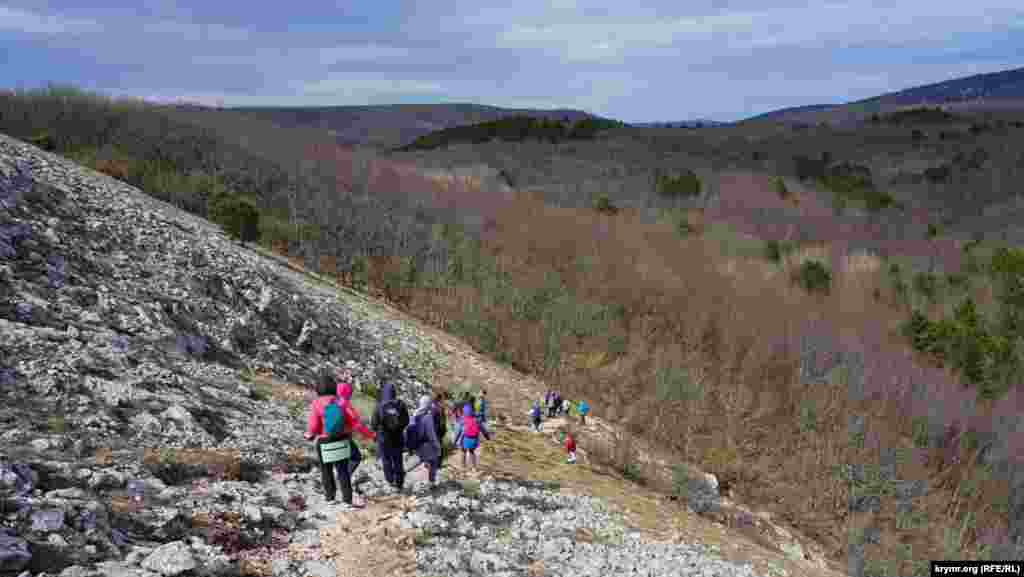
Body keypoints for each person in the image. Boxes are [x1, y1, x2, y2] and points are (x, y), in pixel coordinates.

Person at [304, 373, 373, 508]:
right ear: (333, 387)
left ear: (317, 389)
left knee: (326, 470)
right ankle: (347, 499)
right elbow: (354, 420)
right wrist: (368, 435)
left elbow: (313, 425)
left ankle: (330, 498)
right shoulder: (341, 402)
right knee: (342, 471)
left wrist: (310, 434)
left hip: (325, 441)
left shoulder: (316, 403)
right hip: (342, 440)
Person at [334, 370, 375, 483]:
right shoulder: (347, 407)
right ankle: (342, 482)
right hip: (342, 436)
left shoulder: (332, 400)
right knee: (355, 458)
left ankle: (337, 481)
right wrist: (371, 435)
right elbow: (358, 425)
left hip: (327, 435)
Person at [371, 381, 410, 492]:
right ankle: (399, 483)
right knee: (398, 459)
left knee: (386, 459)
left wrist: (377, 432)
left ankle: (390, 480)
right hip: (397, 437)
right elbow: (406, 420)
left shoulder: (379, 405)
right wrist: (399, 428)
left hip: (383, 438)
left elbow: (374, 423)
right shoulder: (401, 404)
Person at [409, 395, 442, 487]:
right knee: (434, 460)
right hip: (425, 445)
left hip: (415, 445)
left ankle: (414, 473)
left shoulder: (414, 414)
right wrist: (438, 446)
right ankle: (431, 482)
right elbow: (431, 435)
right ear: (428, 404)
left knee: (423, 460)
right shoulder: (428, 417)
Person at [455, 404, 491, 471]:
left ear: (464, 412)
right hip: (474, 439)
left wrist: (455, 440)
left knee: (463, 451)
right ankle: (474, 467)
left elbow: (458, 432)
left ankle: (463, 466)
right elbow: (483, 430)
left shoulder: (462, 420)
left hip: (465, 439)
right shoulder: (476, 420)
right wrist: (487, 437)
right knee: (471, 452)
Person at [432, 392, 448, 466]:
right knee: (440, 445)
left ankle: (434, 462)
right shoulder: (441, 407)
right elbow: (444, 419)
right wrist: (444, 429)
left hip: (434, 429)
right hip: (440, 430)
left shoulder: (432, 407)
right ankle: (438, 463)